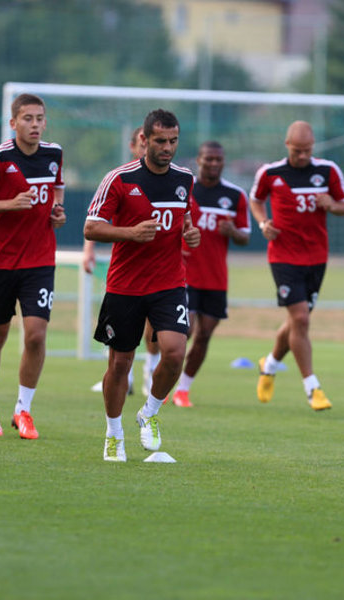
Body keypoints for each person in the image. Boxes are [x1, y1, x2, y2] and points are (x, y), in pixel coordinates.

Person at [84, 108, 200, 462]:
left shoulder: (184, 179)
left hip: (169, 282)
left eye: (173, 141)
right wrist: (130, 233)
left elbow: (186, 220)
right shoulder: (119, 179)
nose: (168, 148)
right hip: (125, 286)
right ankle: (113, 433)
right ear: (144, 140)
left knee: (175, 352)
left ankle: (149, 412)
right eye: (160, 141)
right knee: (120, 364)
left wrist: (190, 234)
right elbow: (91, 227)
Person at [0, 93, 66, 439]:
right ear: (13, 123)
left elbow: (57, 191)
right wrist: (10, 204)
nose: (35, 124)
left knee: (36, 335)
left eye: (39, 118)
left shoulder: (53, 154)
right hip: (1, 262)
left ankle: (23, 409)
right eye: (27, 118)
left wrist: (57, 212)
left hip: (40, 261)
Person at [251, 120, 344, 411]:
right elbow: (256, 200)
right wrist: (263, 223)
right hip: (283, 256)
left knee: (297, 321)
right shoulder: (270, 173)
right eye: (297, 150)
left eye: (307, 150)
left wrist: (331, 204)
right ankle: (312, 387)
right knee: (301, 319)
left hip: (316, 257)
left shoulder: (328, 171)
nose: (303, 155)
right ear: (287, 145)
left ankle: (269, 364)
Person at [171, 141, 250, 408]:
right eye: (209, 159)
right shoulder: (185, 188)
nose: (214, 163)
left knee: (205, 334)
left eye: (218, 159)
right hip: (184, 274)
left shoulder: (235, 195)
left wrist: (233, 232)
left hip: (215, 278)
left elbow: (245, 237)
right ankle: (159, 378)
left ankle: (183, 389)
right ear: (199, 160)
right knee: (186, 330)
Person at [84, 126, 147, 396]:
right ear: (133, 146)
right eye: (143, 142)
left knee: (159, 329)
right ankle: (124, 378)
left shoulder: (173, 179)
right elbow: (95, 220)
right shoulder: (119, 178)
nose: (150, 148)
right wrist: (89, 250)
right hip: (126, 269)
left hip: (162, 268)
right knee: (122, 329)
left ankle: (151, 378)